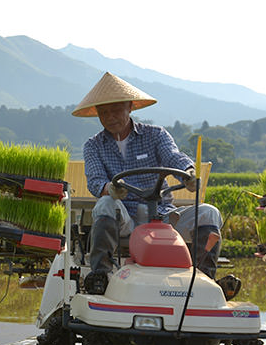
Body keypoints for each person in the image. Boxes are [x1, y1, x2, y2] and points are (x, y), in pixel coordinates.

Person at [73, 72, 240, 298]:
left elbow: (174, 157)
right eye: (104, 113)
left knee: (209, 213)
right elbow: (95, 180)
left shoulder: (155, 135)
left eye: (116, 110)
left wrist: (188, 174)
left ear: (130, 107)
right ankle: (100, 276)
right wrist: (110, 189)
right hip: (126, 218)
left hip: (163, 216)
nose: (110, 117)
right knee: (104, 204)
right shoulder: (93, 145)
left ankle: (204, 280)